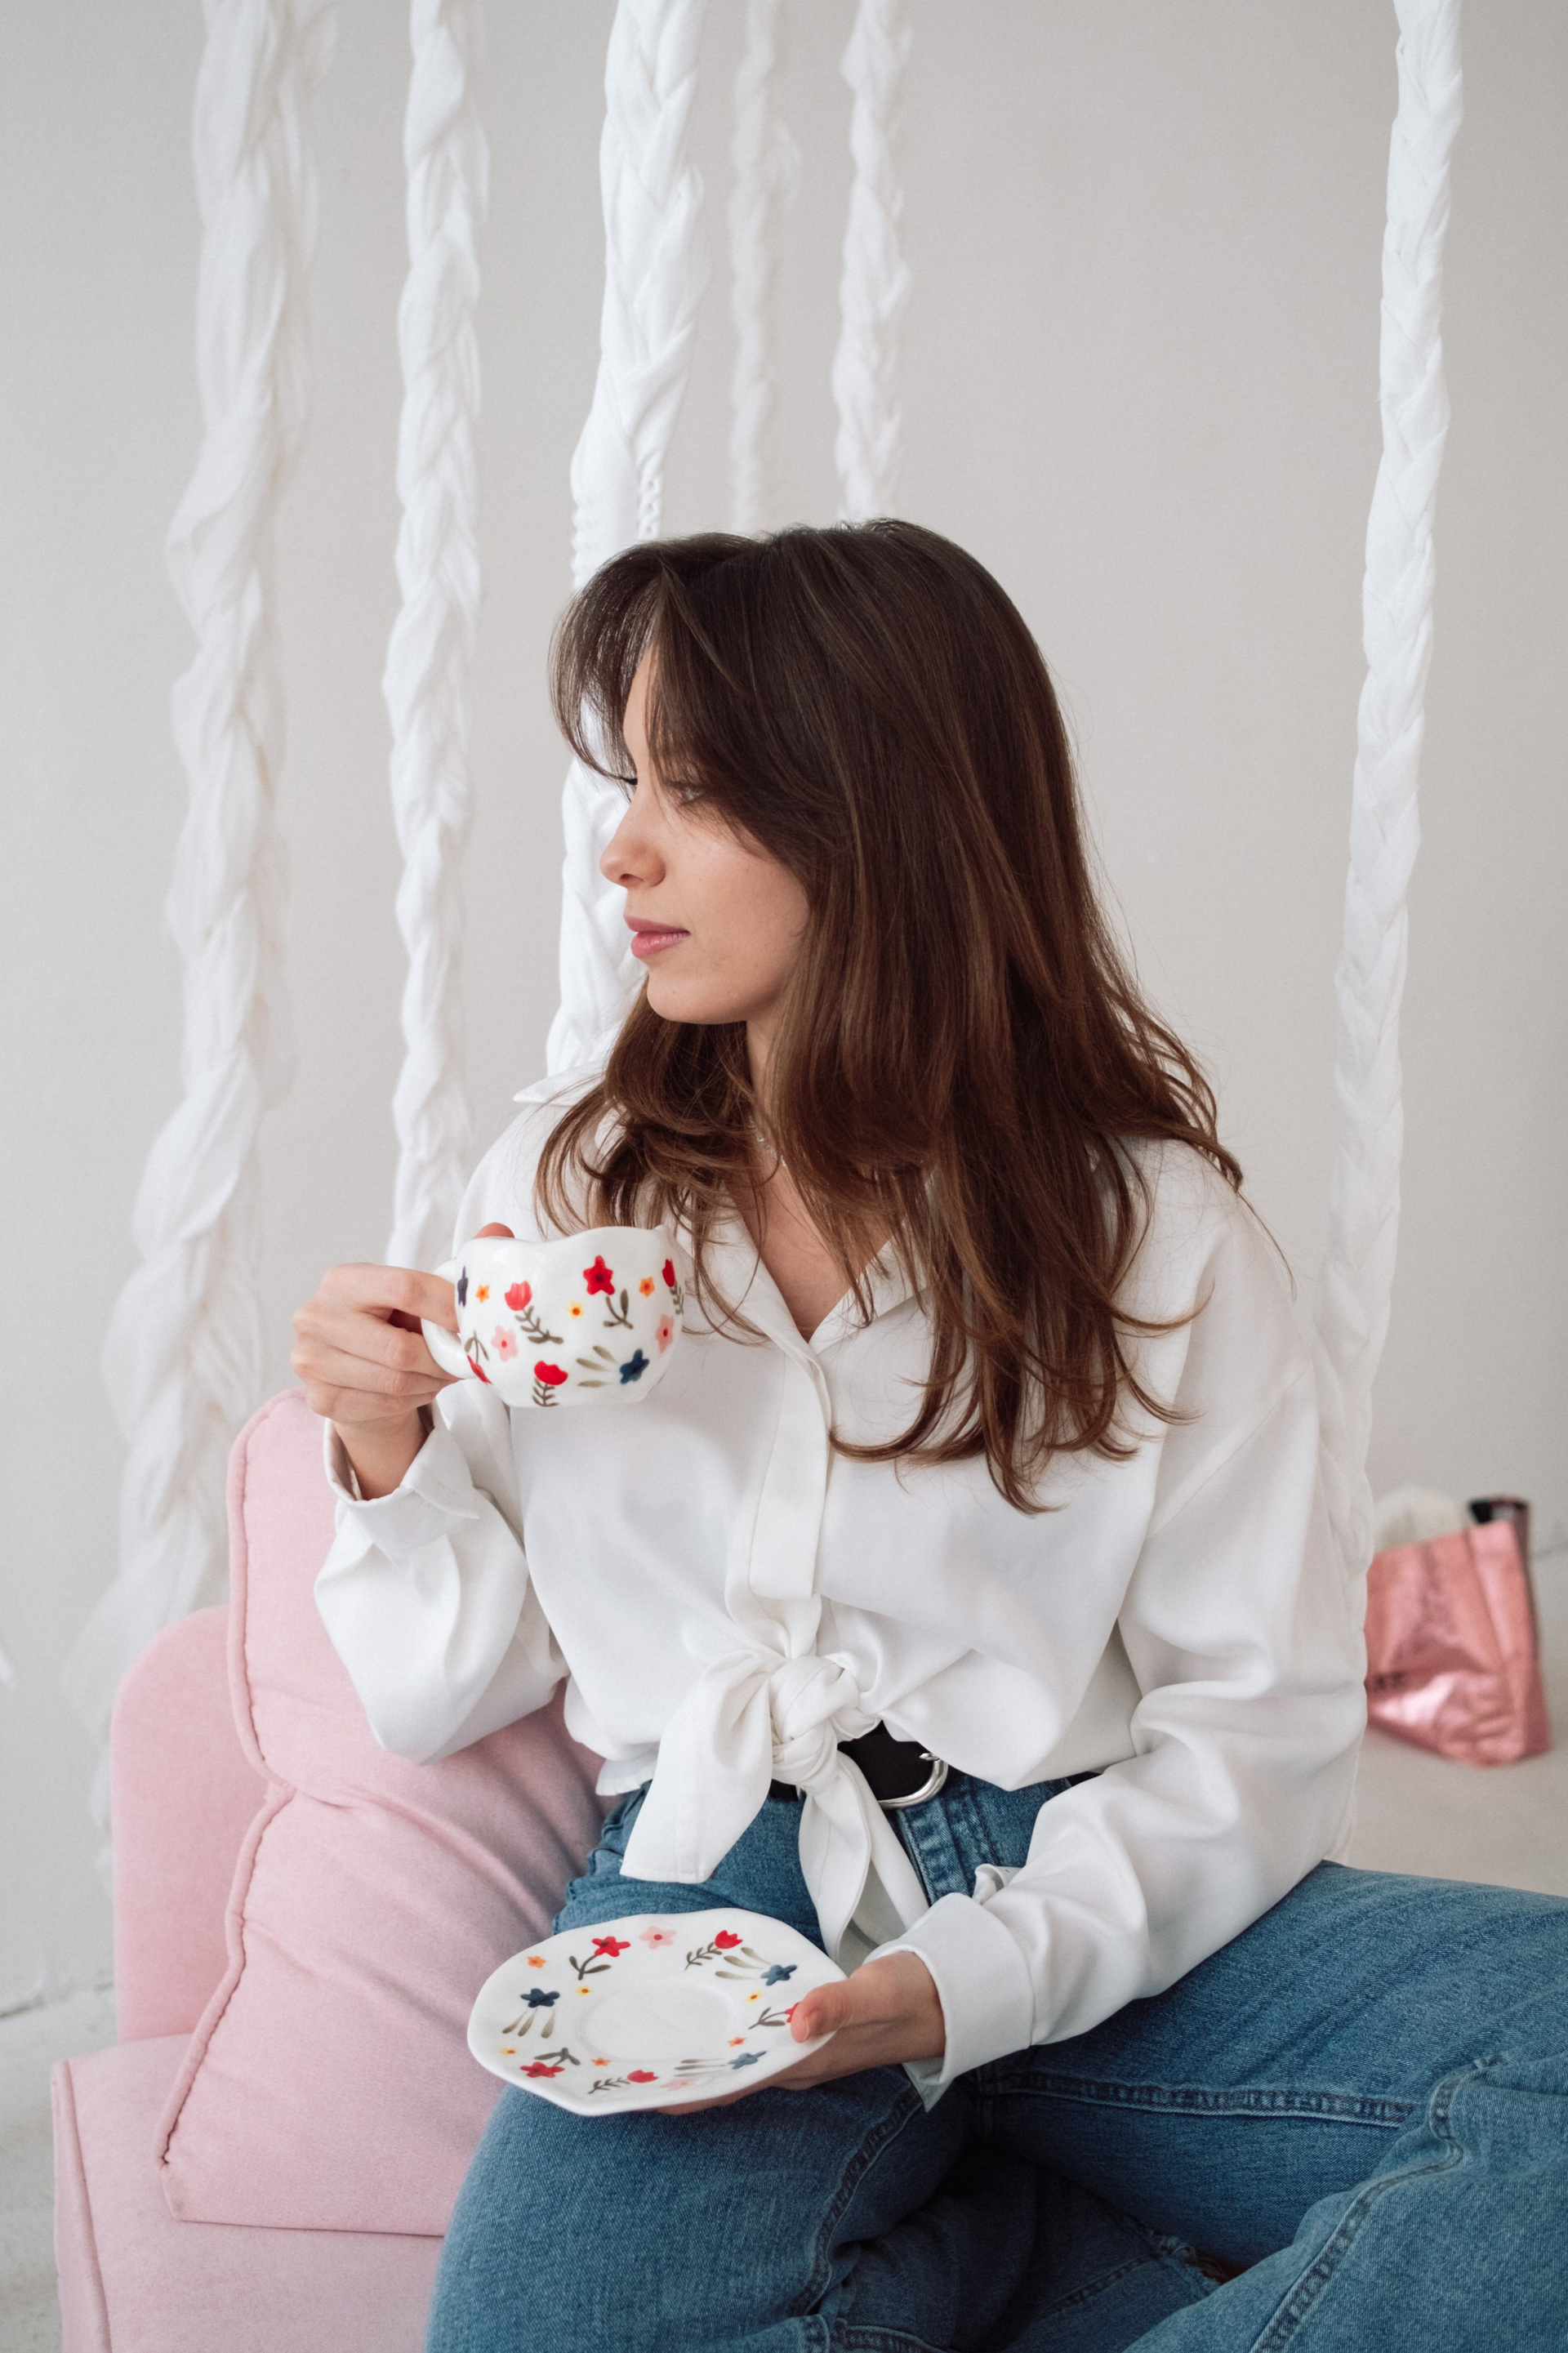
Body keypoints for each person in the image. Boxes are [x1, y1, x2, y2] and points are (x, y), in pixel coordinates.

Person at [292, 523, 1566, 2353]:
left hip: (1105, 1867)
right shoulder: (567, 1185)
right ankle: (1045, 2250)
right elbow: (443, 1691)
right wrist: (386, 1453)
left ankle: (1010, 2209)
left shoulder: (1156, 1231)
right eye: (627, 782)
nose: (621, 849)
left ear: (878, 817)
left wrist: (976, 1976)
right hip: (720, 1887)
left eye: (692, 791)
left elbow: (1258, 1724)